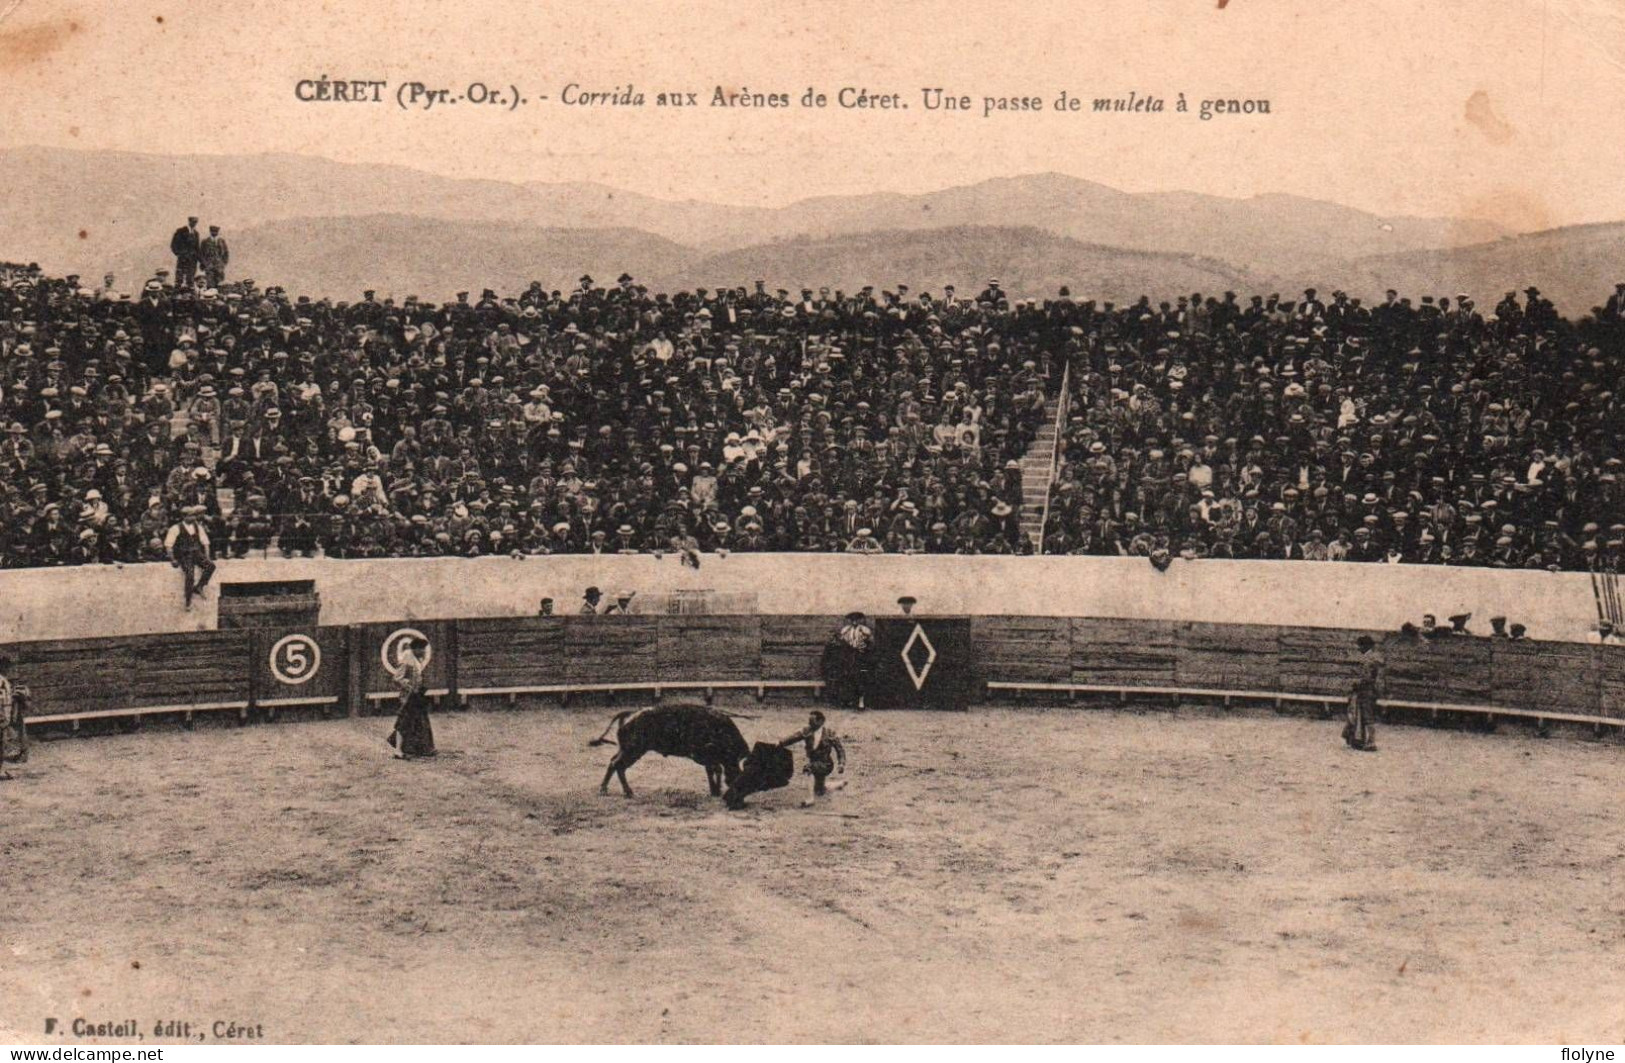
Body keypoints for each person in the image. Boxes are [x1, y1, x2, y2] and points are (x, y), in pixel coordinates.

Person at [777, 709, 846, 806]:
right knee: (820, 790)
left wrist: (841, 764)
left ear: (821, 721)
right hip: (814, 762)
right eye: (809, 722)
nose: (810, 724)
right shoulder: (807, 730)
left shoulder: (830, 733)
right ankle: (839, 784)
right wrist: (781, 743)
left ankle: (810, 799)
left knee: (808, 769)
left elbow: (840, 750)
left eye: (812, 722)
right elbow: (793, 737)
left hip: (826, 764)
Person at [387, 635, 435, 759]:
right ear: (416, 649)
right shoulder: (408, 658)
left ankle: (419, 748)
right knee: (404, 721)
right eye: (422, 649)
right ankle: (398, 750)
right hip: (408, 695)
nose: (424, 651)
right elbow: (397, 678)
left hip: (415, 694)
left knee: (418, 720)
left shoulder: (415, 659)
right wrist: (410, 687)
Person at [164, 504, 216, 610]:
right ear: (184, 517)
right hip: (184, 555)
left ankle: (200, 586)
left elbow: (205, 542)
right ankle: (188, 600)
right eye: (191, 516)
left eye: (194, 516)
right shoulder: (175, 528)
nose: (193, 518)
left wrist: (207, 556)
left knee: (211, 566)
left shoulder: (198, 527)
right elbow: (168, 545)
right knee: (190, 575)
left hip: (196, 553)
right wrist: (173, 559)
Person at [1344, 635, 1383, 752]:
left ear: (1366, 646)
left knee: (1367, 716)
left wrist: (1356, 684)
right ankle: (1364, 740)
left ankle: (1371, 742)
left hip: (1367, 690)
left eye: (1360, 646)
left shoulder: (1369, 659)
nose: (1358, 648)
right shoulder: (1371, 657)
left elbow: (1366, 678)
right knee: (1364, 715)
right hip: (1368, 690)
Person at [0, 655, 25, 776]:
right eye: (6, 667)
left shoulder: (4, 681)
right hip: (2, 717)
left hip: (4, 716)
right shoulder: (2, 681)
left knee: (3, 744)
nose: (8, 670)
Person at [170, 216, 201, 286]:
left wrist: (201, 261)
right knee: (179, 278)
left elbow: (197, 248)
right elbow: (173, 245)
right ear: (189, 221)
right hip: (183, 259)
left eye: (195, 222)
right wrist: (180, 254)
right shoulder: (181, 231)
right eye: (193, 222)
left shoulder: (196, 233)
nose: (194, 224)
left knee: (190, 279)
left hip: (193, 260)